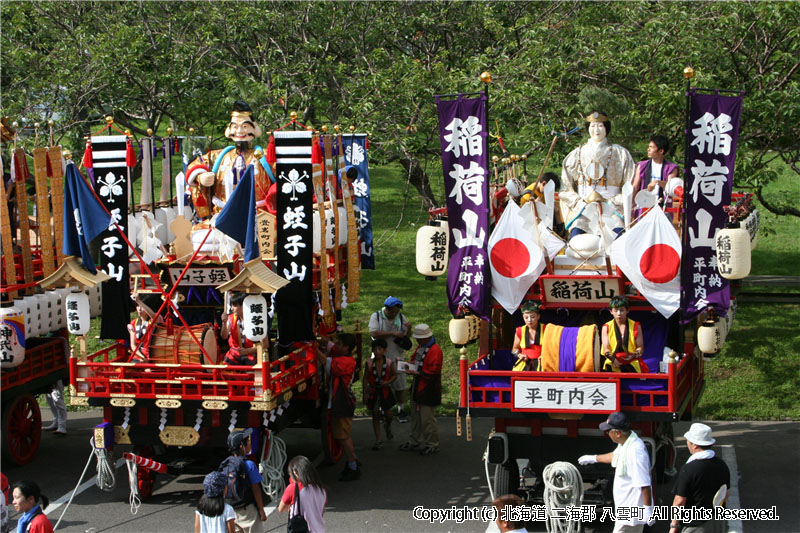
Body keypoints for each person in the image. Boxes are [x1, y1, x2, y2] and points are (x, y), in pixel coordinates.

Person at [185, 101, 274, 221]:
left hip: (259, 215)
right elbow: (196, 165)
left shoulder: (264, 156)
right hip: (222, 213)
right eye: (235, 127)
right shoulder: (218, 156)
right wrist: (200, 176)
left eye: (245, 126)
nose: (240, 131)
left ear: (254, 127)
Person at [560, 111, 635, 241]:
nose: (596, 130)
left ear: (607, 128)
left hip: (612, 206)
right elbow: (566, 188)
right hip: (584, 207)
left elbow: (630, 186)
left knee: (618, 237)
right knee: (576, 237)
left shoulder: (621, 153)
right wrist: (581, 202)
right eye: (592, 126)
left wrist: (611, 201)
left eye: (600, 126)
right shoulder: (576, 154)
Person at [578, 412, 653, 532]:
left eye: (608, 431)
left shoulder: (635, 452)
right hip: (625, 508)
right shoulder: (627, 443)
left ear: (617, 433)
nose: (607, 434)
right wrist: (593, 458)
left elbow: (644, 483)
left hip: (630, 511)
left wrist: (648, 509)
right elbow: (615, 456)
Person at [670, 423, 731, 533]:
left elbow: (679, 501)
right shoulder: (722, 465)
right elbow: (725, 494)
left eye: (688, 440)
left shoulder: (689, 469)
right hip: (717, 522)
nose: (687, 443)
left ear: (695, 445)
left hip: (696, 525)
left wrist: (674, 526)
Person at [399, 324, 442, 456]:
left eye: (419, 338)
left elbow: (433, 372)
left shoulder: (435, 350)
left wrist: (416, 372)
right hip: (417, 386)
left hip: (428, 389)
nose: (417, 341)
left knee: (427, 418)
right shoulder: (421, 347)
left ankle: (432, 444)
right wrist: (406, 365)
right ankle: (414, 440)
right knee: (415, 416)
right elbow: (414, 360)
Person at [369, 296, 412, 422]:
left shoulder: (401, 318)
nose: (395, 313)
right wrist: (392, 333)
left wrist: (408, 329)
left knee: (400, 386)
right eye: (393, 311)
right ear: (386, 309)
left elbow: (406, 337)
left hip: (397, 356)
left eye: (397, 311)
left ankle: (401, 410)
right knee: (381, 385)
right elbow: (374, 333)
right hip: (380, 358)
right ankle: (382, 410)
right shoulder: (376, 317)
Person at [326, 333, 361, 481]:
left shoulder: (346, 362)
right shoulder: (346, 357)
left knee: (343, 437)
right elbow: (331, 348)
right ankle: (353, 461)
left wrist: (313, 350)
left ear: (346, 348)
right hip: (341, 401)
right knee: (343, 436)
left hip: (343, 403)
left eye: (339, 344)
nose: (336, 345)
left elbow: (328, 363)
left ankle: (353, 464)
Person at [222, 429, 267, 533]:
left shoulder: (226, 464)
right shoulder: (249, 465)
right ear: (242, 446)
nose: (250, 444)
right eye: (248, 441)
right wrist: (261, 509)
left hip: (230, 510)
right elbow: (255, 489)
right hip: (247, 511)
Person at [363, 338, 397, 450]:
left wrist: (387, 382)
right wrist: (365, 392)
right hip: (374, 390)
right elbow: (366, 378)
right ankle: (378, 439)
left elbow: (394, 375)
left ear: (384, 350)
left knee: (389, 414)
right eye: (375, 349)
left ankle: (388, 426)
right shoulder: (368, 363)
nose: (377, 351)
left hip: (385, 390)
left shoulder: (388, 362)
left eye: (380, 349)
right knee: (375, 414)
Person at [278, 455, 326, 532]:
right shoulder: (321, 489)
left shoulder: (292, 488)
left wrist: (291, 507)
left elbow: (281, 508)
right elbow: (322, 511)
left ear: (295, 473)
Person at [601, 296, 648, 373]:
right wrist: (613, 359)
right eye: (616, 311)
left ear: (627, 310)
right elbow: (606, 349)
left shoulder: (636, 326)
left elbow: (640, 348)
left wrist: (632, 356)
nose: (619, 314)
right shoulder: (606, 327)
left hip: (632, 360)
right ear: (611, 311)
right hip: (613, 361)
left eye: (622, 310)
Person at [221, 293, 264, 366]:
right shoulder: (231, 318)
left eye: (234, 306)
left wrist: (247, 351)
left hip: (252, 354)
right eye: (231, 305)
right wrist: (224, 323)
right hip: (234, 354)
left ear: (244, 306)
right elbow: (224, 336)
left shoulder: (257, 320)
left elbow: (265, 344)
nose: (232, 308)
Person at [128, 292, 163, 363]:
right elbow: (133, 345)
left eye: (142, 306)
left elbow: (153, 316)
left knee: (148, 371)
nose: (139, 309)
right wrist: (142, 357)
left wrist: (138, 301)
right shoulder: (133, 323)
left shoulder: (154, 320)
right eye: (137, 306)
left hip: (154, 354)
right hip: (139, 355)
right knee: (129, 371)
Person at [511, 301, 546, 371]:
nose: (529, 320)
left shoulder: (546, 329)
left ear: (538, 316)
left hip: (542, 362)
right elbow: (514, 349)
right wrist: (519, 355)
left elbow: (553, 348)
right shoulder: (520, 331)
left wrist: (545, 356)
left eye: (532, 317)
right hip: (524, 363)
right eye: (526, 317)